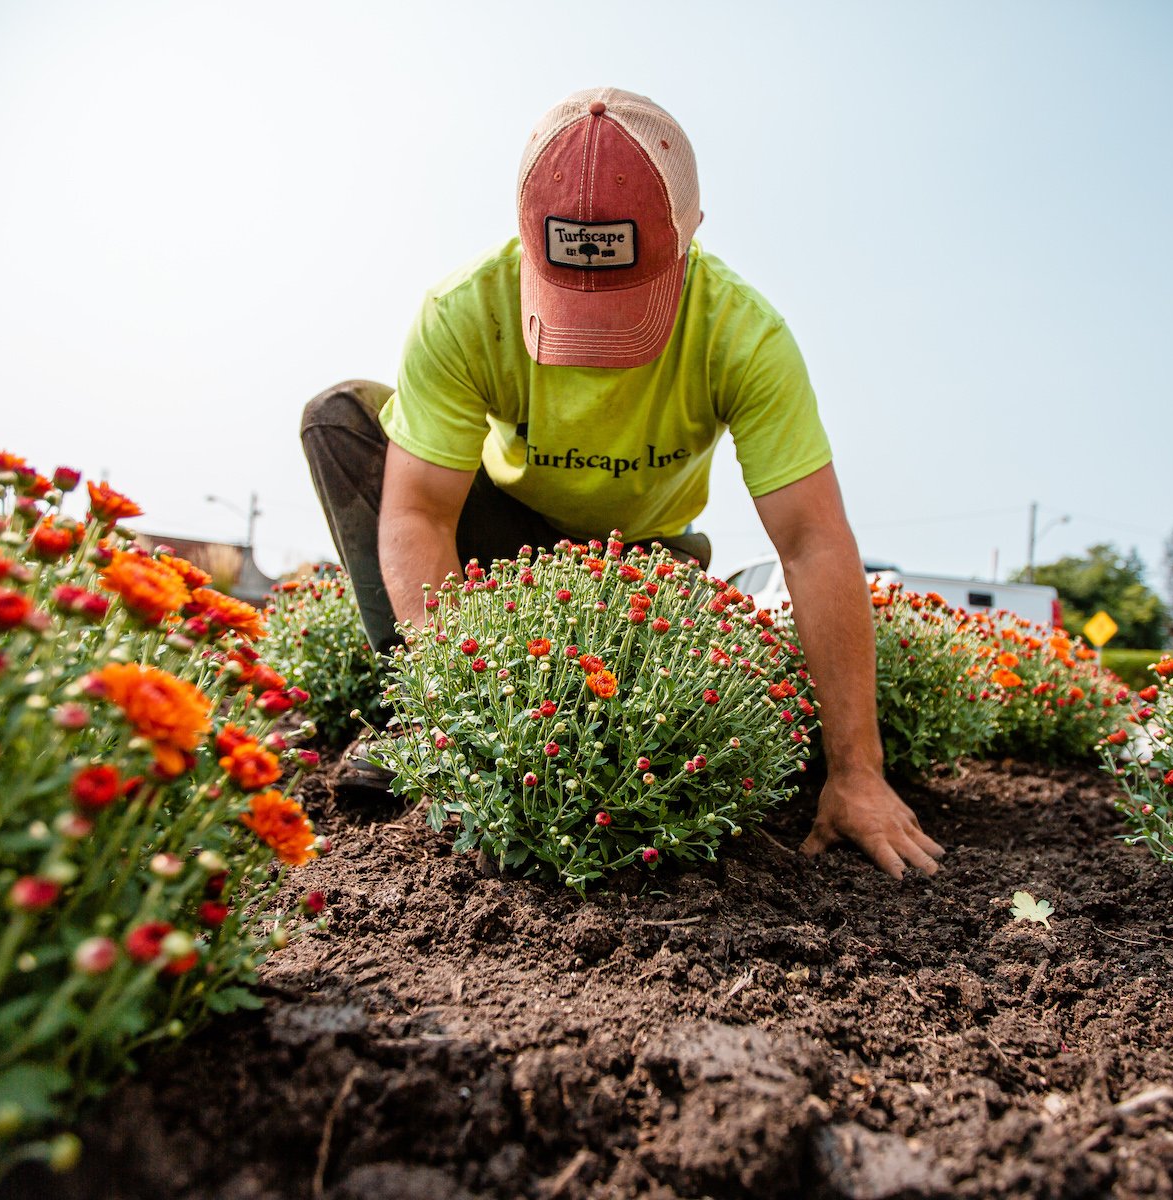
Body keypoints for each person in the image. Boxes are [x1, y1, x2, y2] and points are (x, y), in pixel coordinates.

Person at [300, 87, 941, 879]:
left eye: (625, 304)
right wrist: (454, 715)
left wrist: (858, 772)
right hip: (499, 549)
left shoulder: (745, 333)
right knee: (339, 418)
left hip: (643, 566)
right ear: (527, 237)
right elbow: (421, 511)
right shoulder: (464, 311)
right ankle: (411, 715)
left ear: (693, 231)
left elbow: (812, 542)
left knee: (710, 717)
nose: (597, 345)